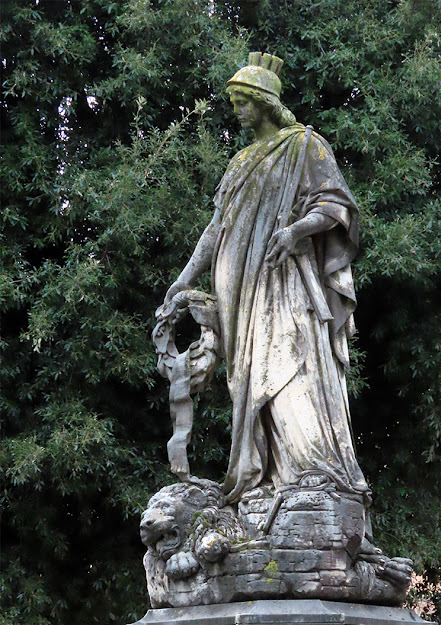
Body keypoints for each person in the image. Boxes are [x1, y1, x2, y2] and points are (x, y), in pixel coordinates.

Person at [157, 52, 369, 506]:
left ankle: (312, 468)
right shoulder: (238, 163)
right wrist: (184, 277)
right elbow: (217, 229)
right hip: (238, 284)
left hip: (284, 275)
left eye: (243, 100)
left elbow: (335, 206)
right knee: (248, 376)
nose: (237, 110)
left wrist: (297, 231)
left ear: (266, 102)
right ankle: (265, 474)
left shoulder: (305, 146)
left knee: (293, 362)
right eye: (233, 101)